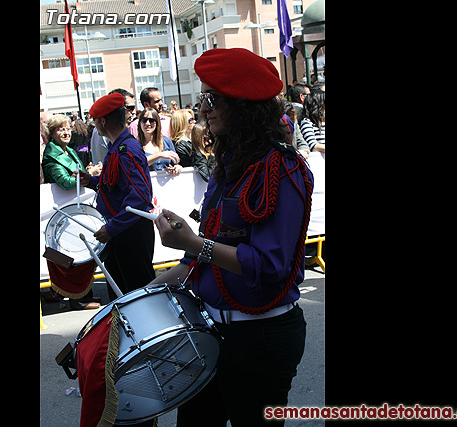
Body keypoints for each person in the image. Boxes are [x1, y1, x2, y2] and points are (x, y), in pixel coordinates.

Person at [147, 47, 314, 427]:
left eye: (212, 99)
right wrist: (141, 294)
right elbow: (199, 260)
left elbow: (269, 265)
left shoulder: (282, 169)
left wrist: (194, 243)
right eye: (201, 98)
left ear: (243, 106)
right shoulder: (229, 164)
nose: (202, 109)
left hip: (261, 339)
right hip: (213, 331)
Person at [78, 93, 156, 301]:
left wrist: (111, 229)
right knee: (121, 296)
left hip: (129, 232)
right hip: (121, 230)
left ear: (102, 121)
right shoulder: (117, 147)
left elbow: (139, 197)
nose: (95, 125)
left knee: (137, 297)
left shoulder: (127, 150)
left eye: (95, 121)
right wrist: (91, 182)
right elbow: (115, 185)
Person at [42, 114, 86, 190]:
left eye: (68, 129)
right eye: (61, 130)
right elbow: (65, 182)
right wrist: (88, 176)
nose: (66, 133)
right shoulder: (51, 156)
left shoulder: (70, 150)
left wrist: (89, 170)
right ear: (52, 133)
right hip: (64, 200)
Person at [137, 107, 182, 175]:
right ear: (140, 123)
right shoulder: (135, 144)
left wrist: (177, 167)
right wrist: (159, 155)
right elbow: (137, 164)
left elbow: (176, 163)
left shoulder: (166, 141)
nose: (147, 123)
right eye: (144, 120)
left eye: (151, 120)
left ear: (157, 123)